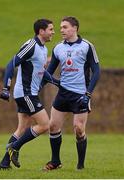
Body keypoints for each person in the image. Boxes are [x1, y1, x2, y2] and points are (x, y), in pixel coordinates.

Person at [0, 18, 59, 170]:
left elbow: (41, 71)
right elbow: (11, 63)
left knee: (22, 129)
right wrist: (6, 87)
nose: (53, 32)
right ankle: (14, 148)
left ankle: (4, 164)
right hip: (25, 93)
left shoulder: (43, 49)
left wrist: (57, 82)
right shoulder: (30, 45)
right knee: (45, 125)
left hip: (28, 93)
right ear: (41, 31)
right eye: (51, 29)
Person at [43, 16, 100, 170]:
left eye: (65, 27)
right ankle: (55, 162)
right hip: (63, 94)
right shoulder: (58, 48)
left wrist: (88, 94)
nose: (61, 30)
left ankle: (80, 165)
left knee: (79, 129)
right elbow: (48, 73)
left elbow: (96, 71)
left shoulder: (87, 46)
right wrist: (41, 86)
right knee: (53, 126)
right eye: (61, 27)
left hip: (81, 94)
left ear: (75, 28)